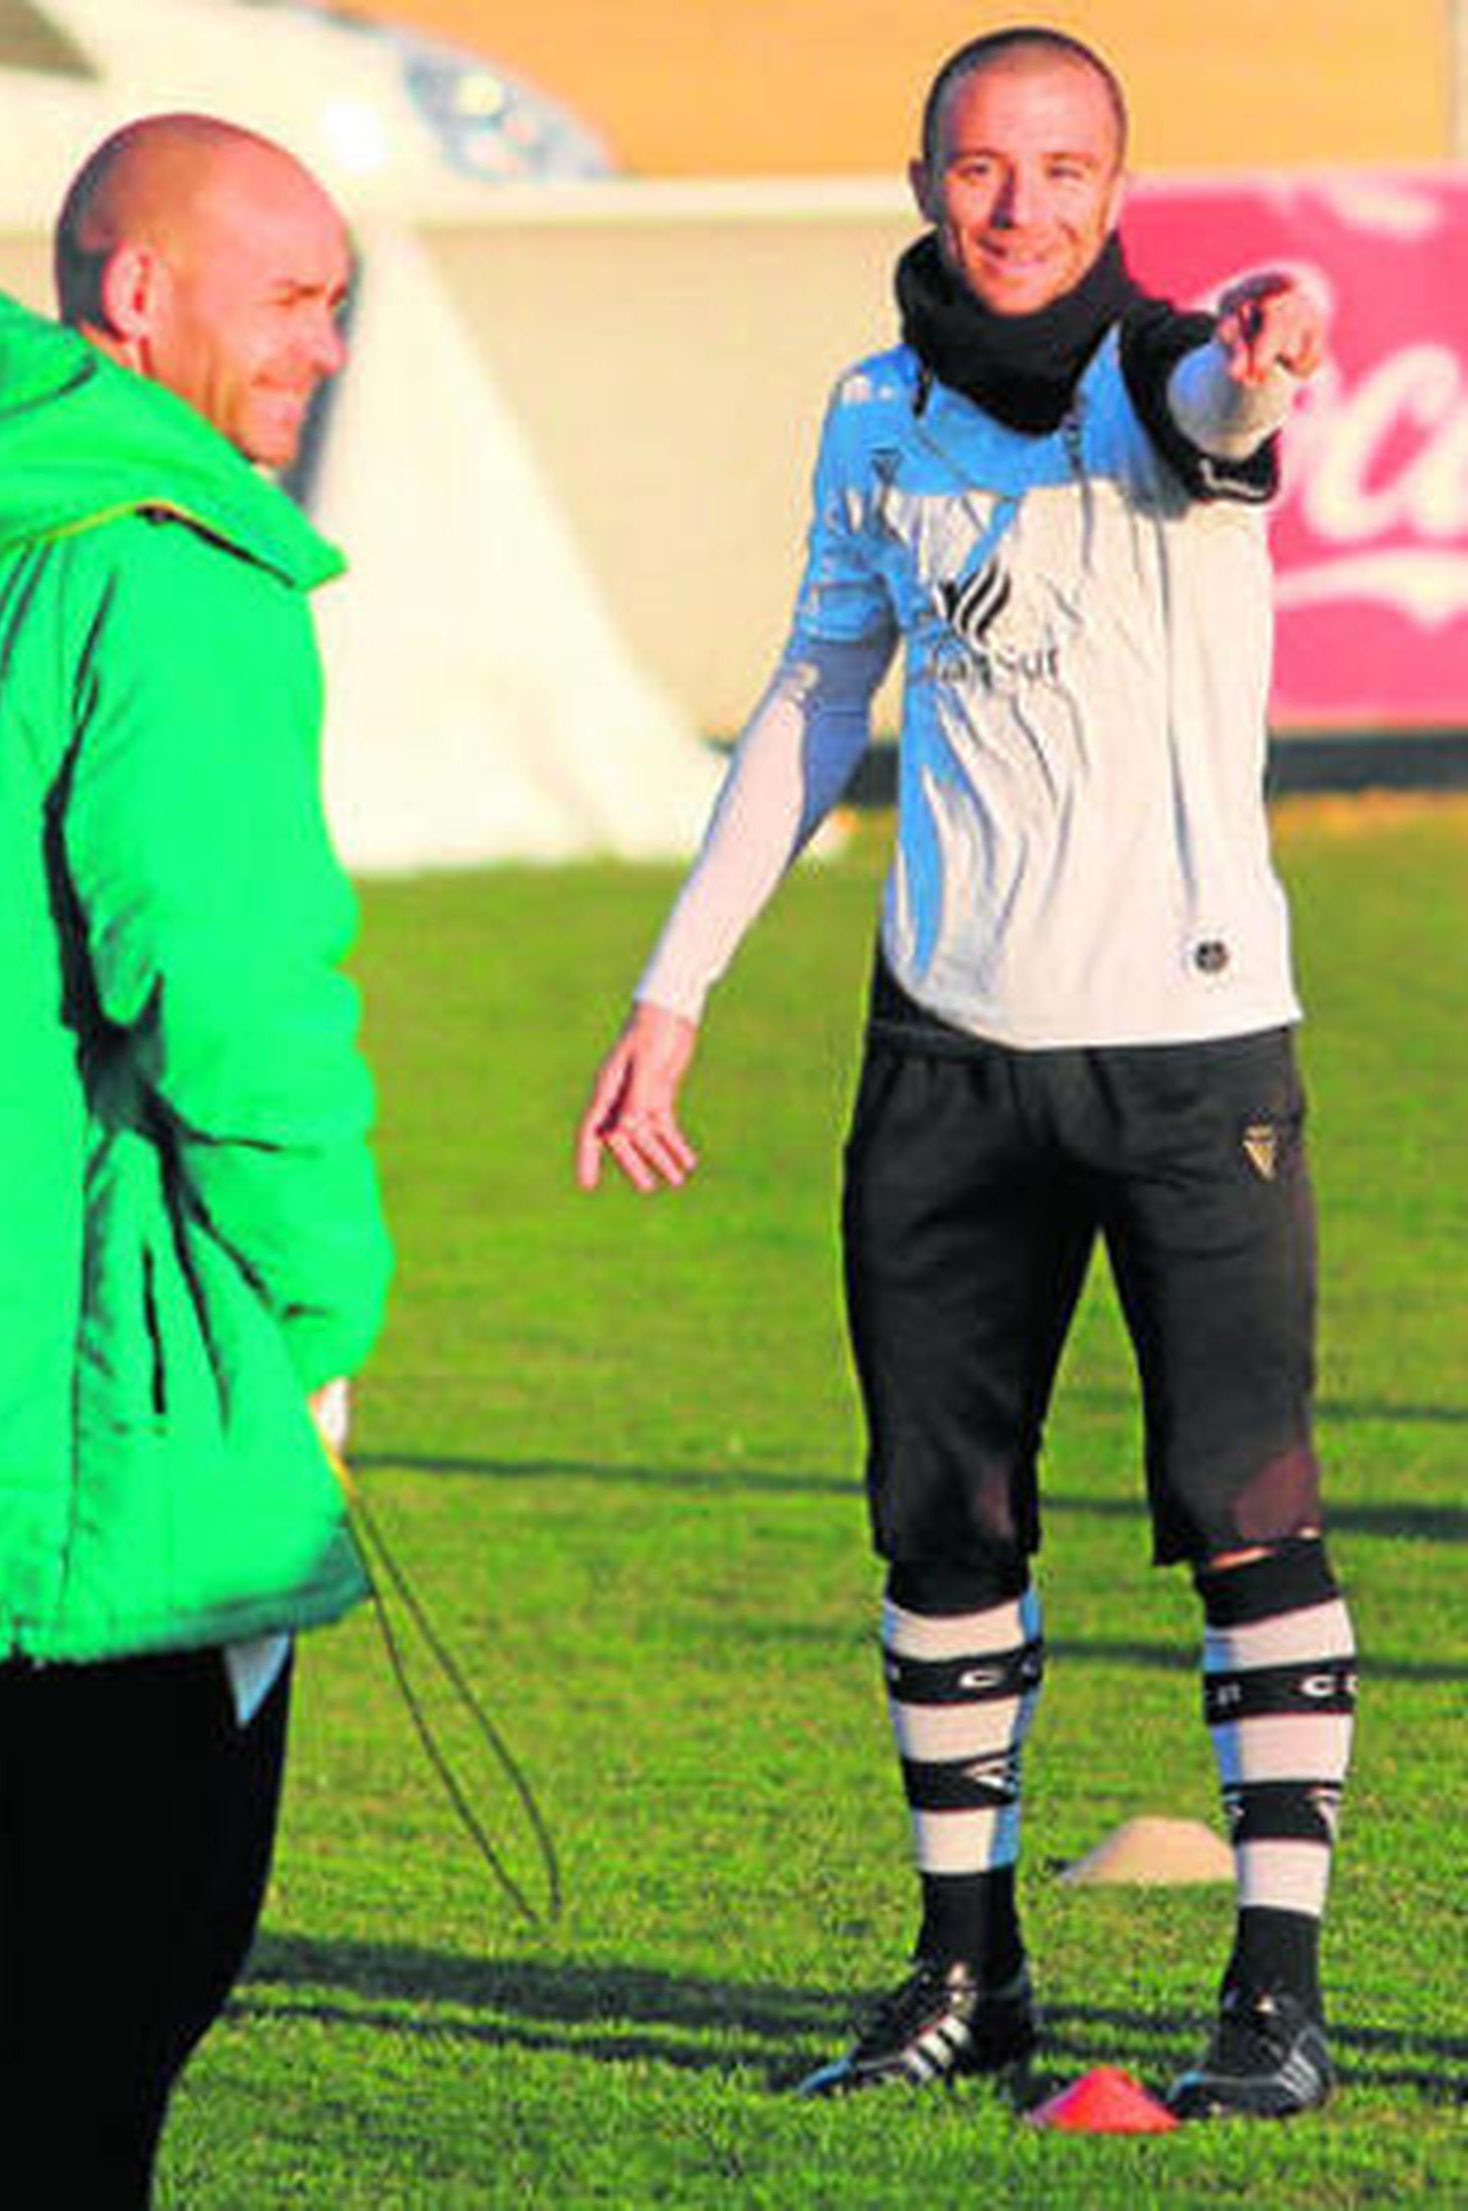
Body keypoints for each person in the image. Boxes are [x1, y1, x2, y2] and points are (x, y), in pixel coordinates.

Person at [576, 27, 1356, 2122]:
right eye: (982, 167)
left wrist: (1265, 351)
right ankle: (962, 1967)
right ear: (923, 174)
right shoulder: (874, 409)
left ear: (1117, 186)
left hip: (1193, 1058)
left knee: (1243, 1510)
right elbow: (816, 693)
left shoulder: (1165, 377)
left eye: (1062, 169)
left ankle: (1269, 1994)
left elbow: (1218, 404)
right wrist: (676, 983)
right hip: (942, 1053)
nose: (1018, 206)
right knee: (938, 1521)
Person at [0, 114, 392, 2206]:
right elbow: (244, 1012)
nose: (328, 347)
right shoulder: (168, 579)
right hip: (122, 1390)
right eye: (292, 295)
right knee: (121, 1963)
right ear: (138, 293)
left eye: (340, 299)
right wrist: (324, 1309)